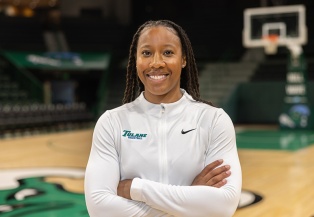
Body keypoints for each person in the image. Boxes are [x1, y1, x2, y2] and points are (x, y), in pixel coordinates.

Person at [84, 19, 242, 217]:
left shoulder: (213, 120)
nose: (156, 63)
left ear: (183, 59)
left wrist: (136, 189)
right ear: (135, 59)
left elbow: (224, 205)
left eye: (168, 52)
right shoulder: (112, 123)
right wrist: (191, 201)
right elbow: (99, 207)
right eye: (146, 53)